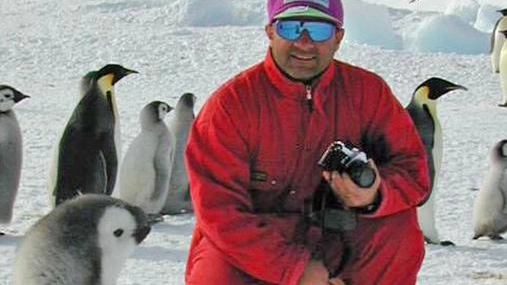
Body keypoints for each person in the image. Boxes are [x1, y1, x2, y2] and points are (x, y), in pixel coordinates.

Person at [184, 0, 430, 284]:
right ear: (270, 32)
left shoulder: (368, 93)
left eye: (318, 30)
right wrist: (294, 268)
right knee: (215, 271)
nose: (304, 42)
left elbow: (412, 169)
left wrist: (375, 195)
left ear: (338, 37)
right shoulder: (231, 106)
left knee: (397, 229)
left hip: (339, 233)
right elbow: (219, 212)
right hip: (256, 244)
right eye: (291, 28)